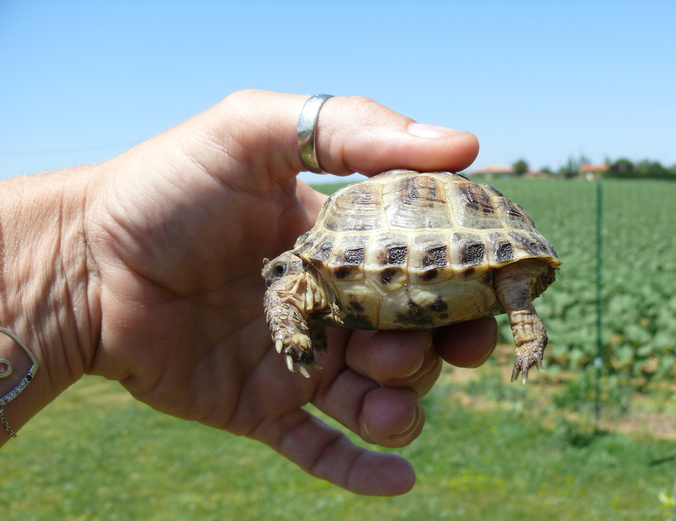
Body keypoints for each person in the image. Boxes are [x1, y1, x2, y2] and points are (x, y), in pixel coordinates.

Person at [0, 90, 497, 496]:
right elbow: (284, 290)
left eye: (282, 270)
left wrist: (82, 266)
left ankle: (516, 310)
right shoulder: (305, 281)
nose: (276, 277)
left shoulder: (311, 273)